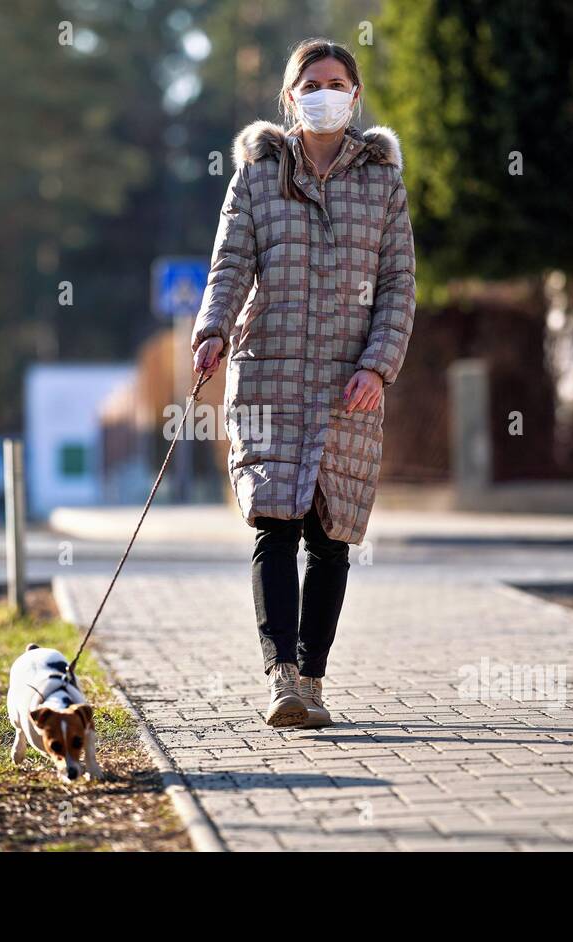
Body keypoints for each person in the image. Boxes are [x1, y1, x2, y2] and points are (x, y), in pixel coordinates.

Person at [191, 38, 416, 728]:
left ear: (355, 94)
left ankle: (313, 680)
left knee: (331, 534)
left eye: (337, 81)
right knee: (273, 524)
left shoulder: (381, 180)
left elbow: (398, 286)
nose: (325, 92)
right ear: (290, 97)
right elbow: (231, 262)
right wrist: (212, 330)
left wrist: (378, 366)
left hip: (347, 385)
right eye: (311, 82)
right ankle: (282, 678)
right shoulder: (259, 173)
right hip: (268, 378)